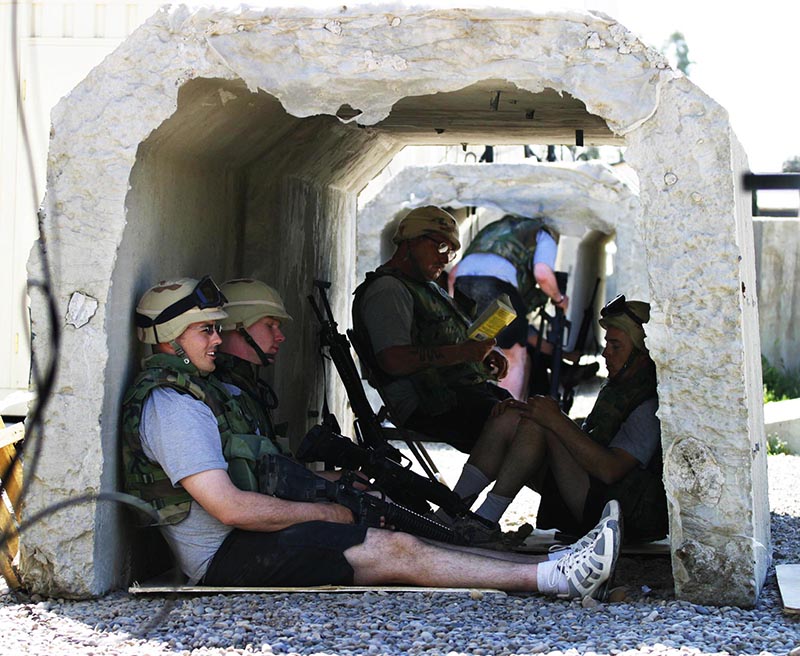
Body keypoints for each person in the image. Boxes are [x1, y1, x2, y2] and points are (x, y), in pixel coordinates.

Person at [121, 274, 622, 599]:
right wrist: (325, 510)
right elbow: (229, 507)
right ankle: (551, 580)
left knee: (395, 536)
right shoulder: (173, 406)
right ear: (172, 338)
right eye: (205, 330)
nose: (216, 338)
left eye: (217, 328)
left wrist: (334, 487)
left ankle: (551, 563)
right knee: (393, 551)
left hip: (245, 538)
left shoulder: (202, 394)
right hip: (224, 557)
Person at [491, 294, 668, 543]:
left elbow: (610, 470)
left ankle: (484, 520)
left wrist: (555, 420)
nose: (606, 353)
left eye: (616, 346)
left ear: (642, 354)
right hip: (596, 497)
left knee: (541, 425)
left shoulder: (650, 403)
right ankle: (457, 510)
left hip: (622, 517)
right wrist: (528, 410)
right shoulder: (621, 387)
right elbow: (591, 438)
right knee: (512, 418)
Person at [453, 214, 595, 400]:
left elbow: (453, 273)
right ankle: (508, 412)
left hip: (462, 284)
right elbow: (543, 273)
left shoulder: (493, 229)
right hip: (498, 289)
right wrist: (559, 299)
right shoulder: (541, 234)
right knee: (512, 356)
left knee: (475, 349)